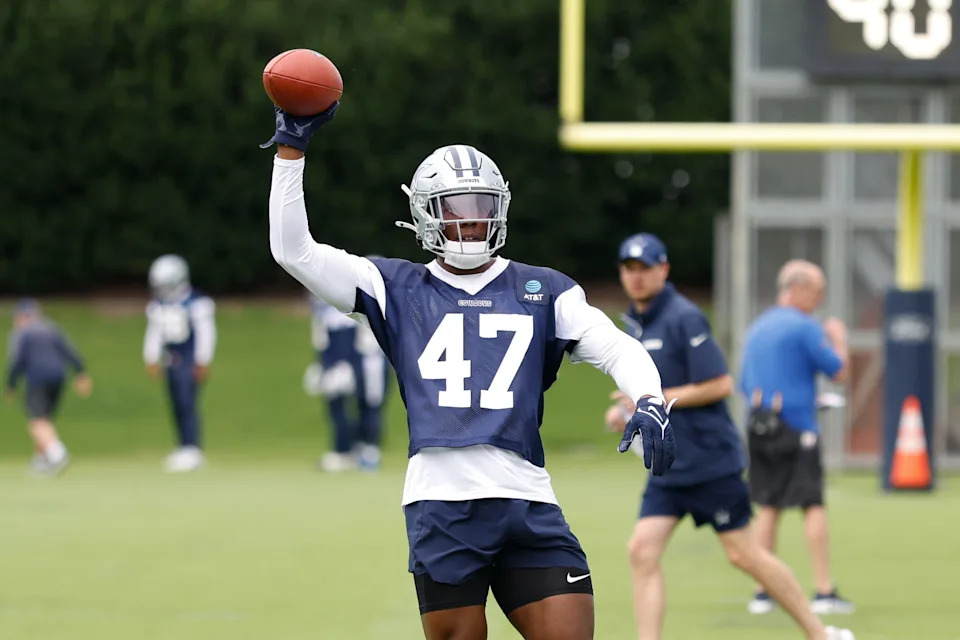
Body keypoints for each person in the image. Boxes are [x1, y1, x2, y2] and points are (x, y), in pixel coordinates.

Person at [262, 103, 676, 640]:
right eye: (454, 208)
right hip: (442, 503)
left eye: (481, 206)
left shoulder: (544, 288)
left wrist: (649, 396)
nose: (470, 220)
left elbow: (619, 348)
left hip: (527, 496)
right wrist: (291, 151)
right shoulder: (395, 285)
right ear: (427, 213)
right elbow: (293, 250)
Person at [605, 234, 855, 640]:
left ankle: (820, 633)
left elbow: (721, 384)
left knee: (744, 554)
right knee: (641, 550)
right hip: (667, 463)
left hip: (708, 461)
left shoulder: (684, 317)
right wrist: (626, 411)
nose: (636, 277)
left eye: (645, 268)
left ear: (663, 270)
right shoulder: (634, 324)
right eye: (629, 269)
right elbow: (648, 390)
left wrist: (658, 399)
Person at [740, 259, 854, 615]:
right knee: (812, 504)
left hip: (760, 426)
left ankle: (763, 591)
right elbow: (838, 372)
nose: (819, 299)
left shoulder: (757, 328)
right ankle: (823, 591)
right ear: (799, 288)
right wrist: (839, 338)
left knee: (768, 506)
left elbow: (745, 382)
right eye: (817, 291)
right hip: (798, 427)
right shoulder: (806, 327)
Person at [142, 254, 217, 473]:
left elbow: (206, 334)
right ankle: (183, 447)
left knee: (187, 404)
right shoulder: (158, 305)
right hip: (170, 360)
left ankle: (192, 449)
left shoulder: (197, 303)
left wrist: (203, 360)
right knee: (175, 404)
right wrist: (151, 357)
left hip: (188, 360)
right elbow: (154, 333)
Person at [5, 299, 92, 475]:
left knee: (37, 421)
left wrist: (11, 385)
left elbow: (16, 361)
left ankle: (57, 453)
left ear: (21, 317)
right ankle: (41, 460)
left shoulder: (22, 333)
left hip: (37, 377)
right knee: (45, 418)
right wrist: (81, 373)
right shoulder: (51, 328)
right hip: (59, 377)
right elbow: (69, 351)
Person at [305, 294, 390, 472]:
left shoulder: (355, 300)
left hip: (368, 360)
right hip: (339, 362)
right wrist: (323, 365)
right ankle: (344, 451)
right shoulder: (324, 310)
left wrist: (349, 364)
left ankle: (367, 450)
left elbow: (366, 339)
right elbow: (324, 339)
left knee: (369, 403)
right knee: (337, 405)